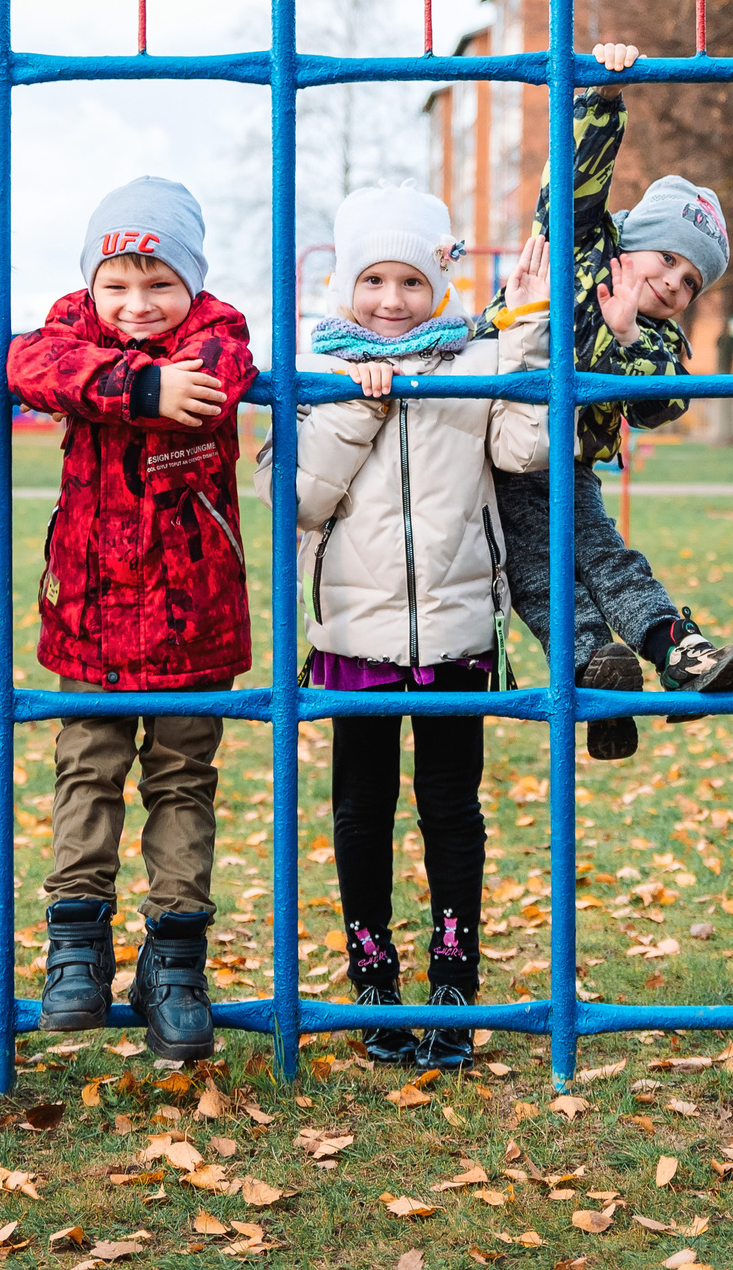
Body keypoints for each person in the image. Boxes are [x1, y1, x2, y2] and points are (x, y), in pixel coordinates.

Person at [259, 189, 549, 1069]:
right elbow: (295, 499)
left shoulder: (476, 360)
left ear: (440, 284)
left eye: (413, 281)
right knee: (362, 810)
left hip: (458, 633)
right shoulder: (312, 376)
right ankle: (373, 978)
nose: (393, 300)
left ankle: (454, 982)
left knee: (452, 809)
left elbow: (526, 451)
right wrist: (363, 404)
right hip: (354, 638)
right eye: (374, 280)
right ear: (348, 285)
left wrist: (529, 336)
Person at [4, 177, 255, 1062]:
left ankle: (176, 958)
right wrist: (142, 390)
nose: (137, 303)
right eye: (118, 283)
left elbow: (224, 380)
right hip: (91, 620)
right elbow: (27, 365)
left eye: (159, 283)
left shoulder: (218, 330)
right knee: (87, 772)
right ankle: (75, 945)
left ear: (190, 282)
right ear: (92, 282)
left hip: (193, 619)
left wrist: (119, 388)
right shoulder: (70, 325)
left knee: (183, 782)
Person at [486, 40, 733, 762]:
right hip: (496, 448)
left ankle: (672, 654)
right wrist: (604, 102)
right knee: (536, 577)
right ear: (631, 241)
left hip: (567, 464)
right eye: (667, 259)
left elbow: (657, 405)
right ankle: (597, 674)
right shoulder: (580, 247)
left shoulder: (661, 340)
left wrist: (624, 336)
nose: (674, 282)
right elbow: (570, 180)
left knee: (606, 562)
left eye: (691, 281)